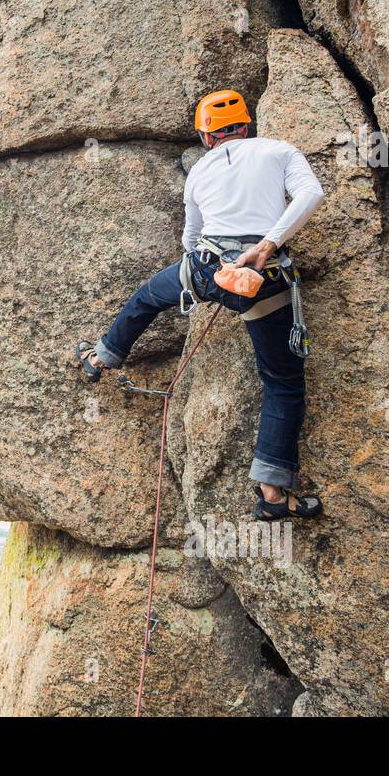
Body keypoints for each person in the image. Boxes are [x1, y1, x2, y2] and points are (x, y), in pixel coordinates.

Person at [77, 90, 326, 521]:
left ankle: (102, 356)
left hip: (206, 269)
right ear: (246, 126)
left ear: (207, 137)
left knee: (146, 297)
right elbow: (311, 195)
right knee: (282, 383)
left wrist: (204, 280)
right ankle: (271, 491)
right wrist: (268, 244)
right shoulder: (279, 151)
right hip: (261, 279)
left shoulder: (198, 172)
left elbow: (190, 239)